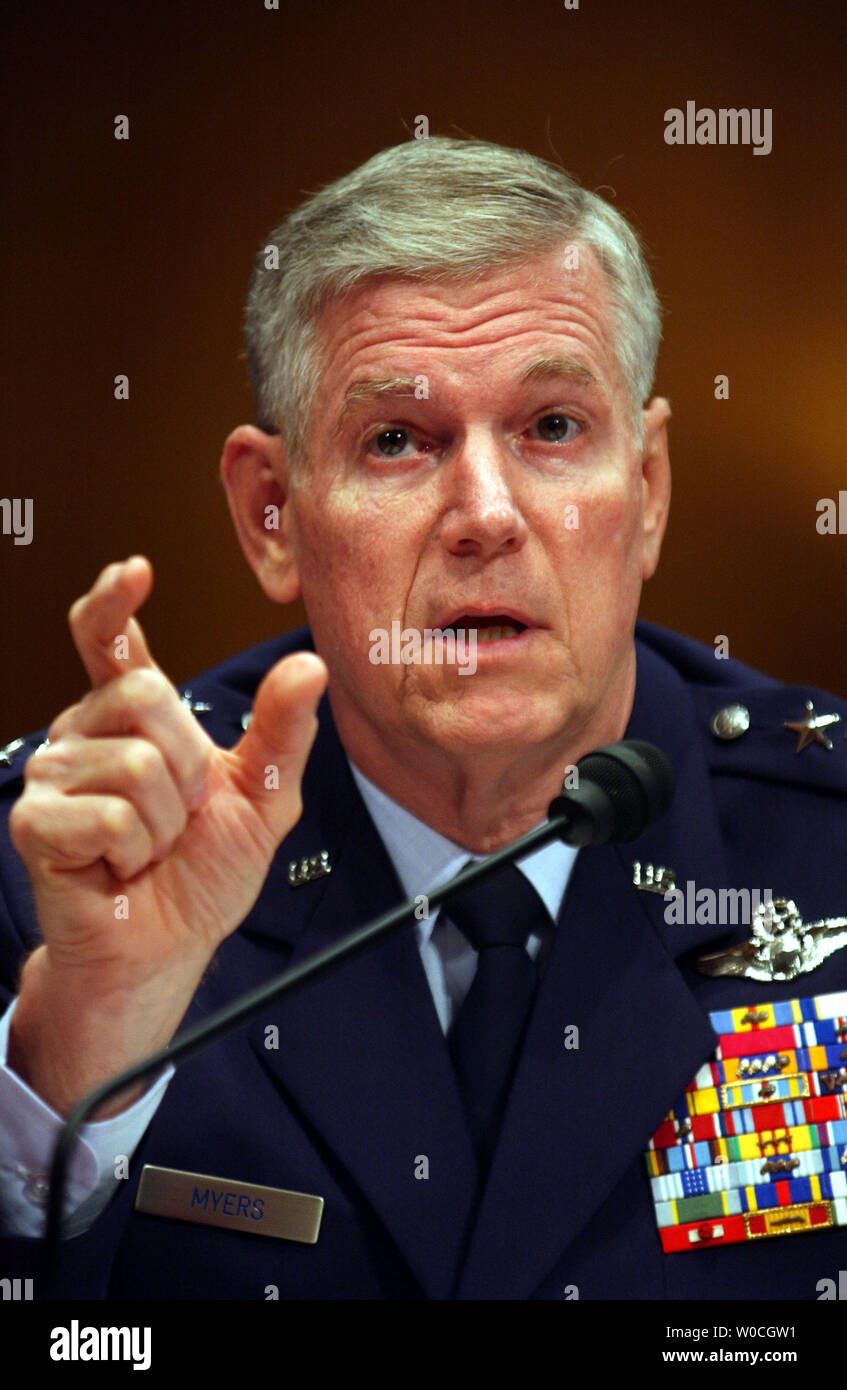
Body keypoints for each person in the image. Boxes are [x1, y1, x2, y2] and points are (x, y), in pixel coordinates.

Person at [1, 136, 846, 1301]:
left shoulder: (827, 840)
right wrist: (82, 1046)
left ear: (644, 490)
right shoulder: (79, 874)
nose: (486, 515)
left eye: (552, 428)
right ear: (271, 515)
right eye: (397, 440)